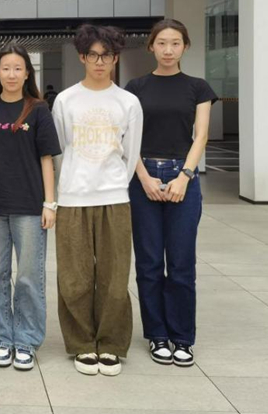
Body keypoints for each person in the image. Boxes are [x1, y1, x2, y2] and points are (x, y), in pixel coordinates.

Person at [125, 19, 217, 367]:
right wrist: (144, 177)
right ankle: (157, 335)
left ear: (185, 46)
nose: (168, 50)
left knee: (181, 263)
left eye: (175, 43)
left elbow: (201, 136)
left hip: (183, 177)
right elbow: (127, 138)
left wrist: (185, 177)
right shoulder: (136, 87)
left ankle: (182, 337)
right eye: (161, 43)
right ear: (151, 46)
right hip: (143, 177)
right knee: (149, 263)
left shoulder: (198, 87)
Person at [52, 24, 142, 376]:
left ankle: (112, 344)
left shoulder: (128, 102)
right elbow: (60, 150)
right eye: (93, 55)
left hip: (114, 197)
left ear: (116, 58)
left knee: (114, 276)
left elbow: (131, 152)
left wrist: (115, 184)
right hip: (72, 198)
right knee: (73, 277)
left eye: (107, 55)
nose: (100, 62)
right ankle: (82, 344)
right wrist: (68, 185)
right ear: (82, 57)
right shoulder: (66, 100)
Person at [0, 43, 61, 371]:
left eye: (18, 68)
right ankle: (2, 337)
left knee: (29, 276)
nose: (11, 74)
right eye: (6, 68)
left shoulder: (38, 109)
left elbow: (47, 159)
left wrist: (50, 203)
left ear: (27, 73)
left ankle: (26, 339)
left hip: (29, 205)